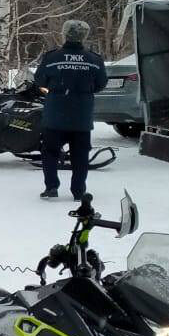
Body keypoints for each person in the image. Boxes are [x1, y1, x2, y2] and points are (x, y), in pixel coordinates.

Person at [34, 19, 108, 201]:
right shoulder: (94, 60)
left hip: (55, 115)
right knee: (80, 155)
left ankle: (51, 187)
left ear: (65, 34)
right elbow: (101, 83)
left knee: (50, 152)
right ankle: (78, 191)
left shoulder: (52, 58)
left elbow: (40, 80)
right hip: (81, 117)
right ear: (84, 36)